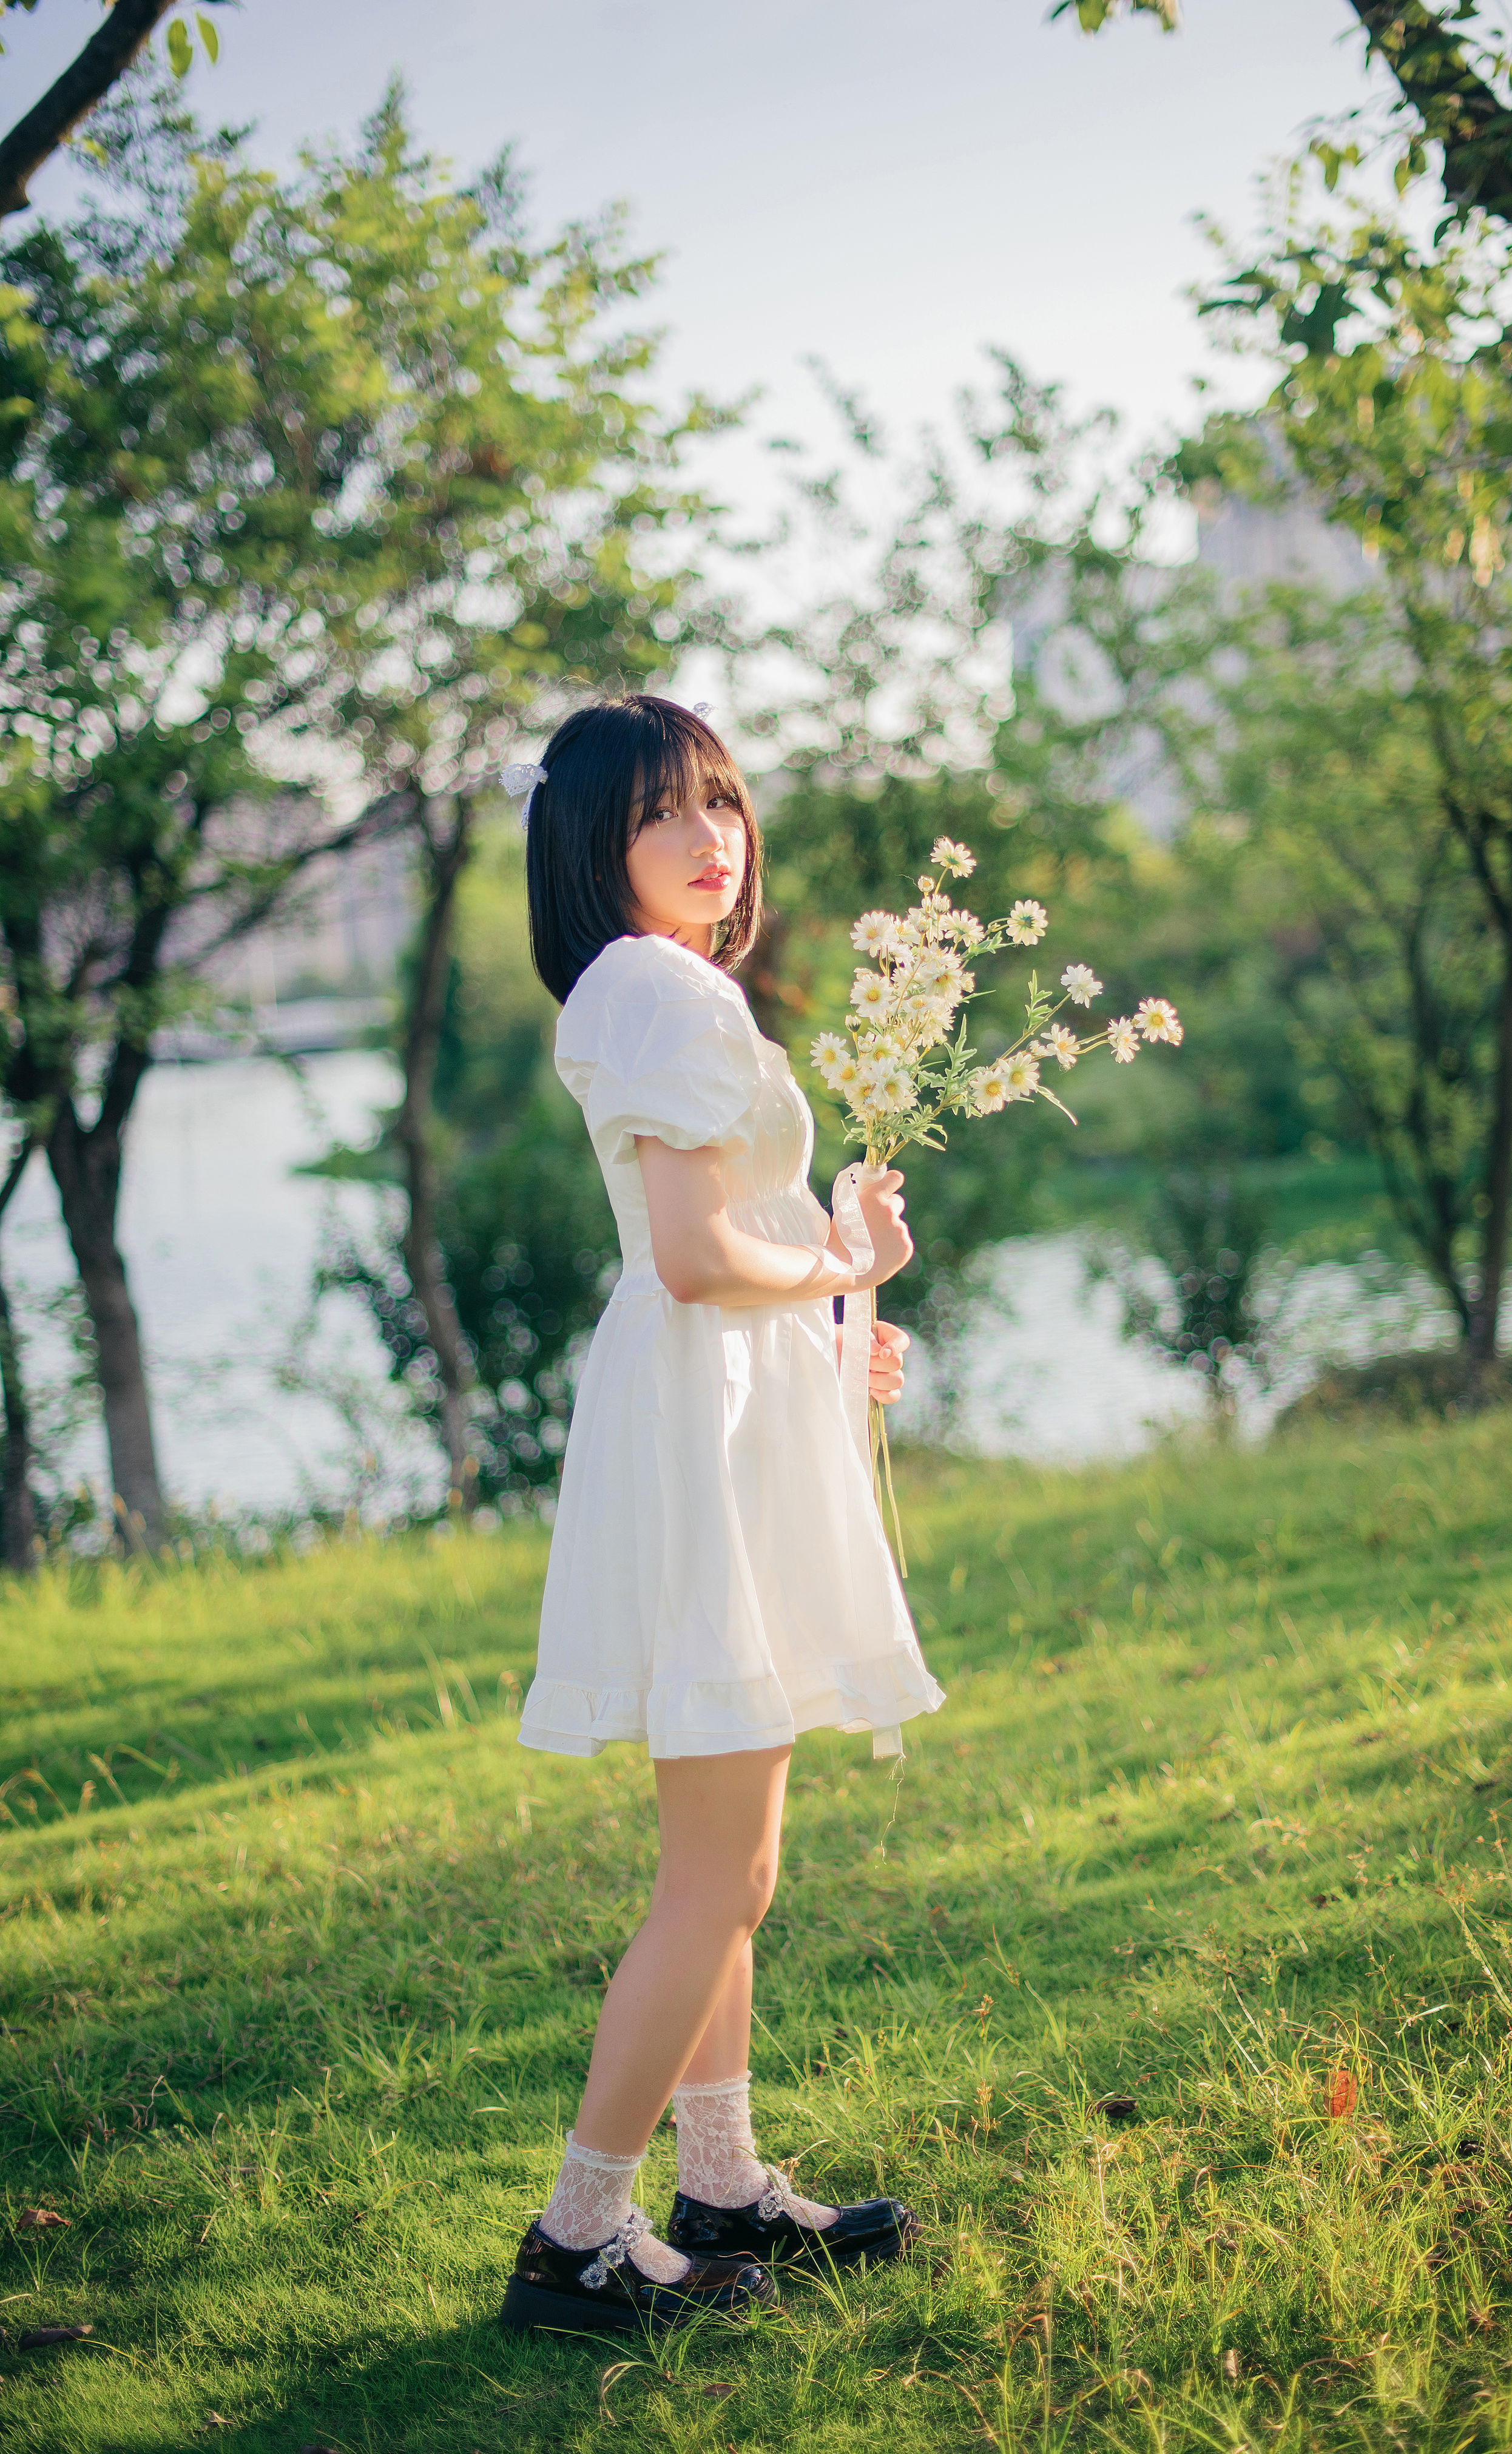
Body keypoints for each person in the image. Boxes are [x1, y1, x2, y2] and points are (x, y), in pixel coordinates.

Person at [496, 695, 945, 2337]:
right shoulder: (652, 988)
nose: (711, 839)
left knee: (733, 1864)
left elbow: (723, 1243)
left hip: (723, 1409)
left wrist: (841, 1323)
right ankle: (576, 2233)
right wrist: (830, 1266)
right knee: (717, 1872)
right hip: (697, 1419)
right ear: (592, 848)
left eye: (723, 805)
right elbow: (692, 1257)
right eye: (662, 815)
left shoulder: (666, 990)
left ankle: (724, 2179)